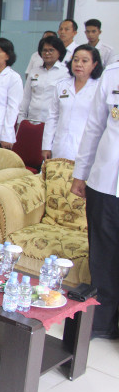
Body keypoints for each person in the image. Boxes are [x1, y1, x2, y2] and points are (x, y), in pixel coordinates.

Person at [71, 61, 119, 340]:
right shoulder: (112, 74)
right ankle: (102, 321)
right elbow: (94, 127)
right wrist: (81, 173)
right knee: (103, 253)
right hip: (105, 180)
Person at [42, 45, 103, 161]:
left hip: (86, 148)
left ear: (94, 64)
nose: (79, 64)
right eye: (76, 60)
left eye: (84, 61)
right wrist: (46, 146)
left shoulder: (99, 88)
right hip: (59, 145)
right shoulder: (62, 85)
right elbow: (52, 117)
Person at [18, 36, 69, 124]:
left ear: (59, 52)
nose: (47, 53)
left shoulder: (66, 73)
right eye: (44, 50)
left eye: (51, 50)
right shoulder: (34, 72)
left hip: (52, 122)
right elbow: (26, 97)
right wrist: (21, 118)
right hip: (31, 120)